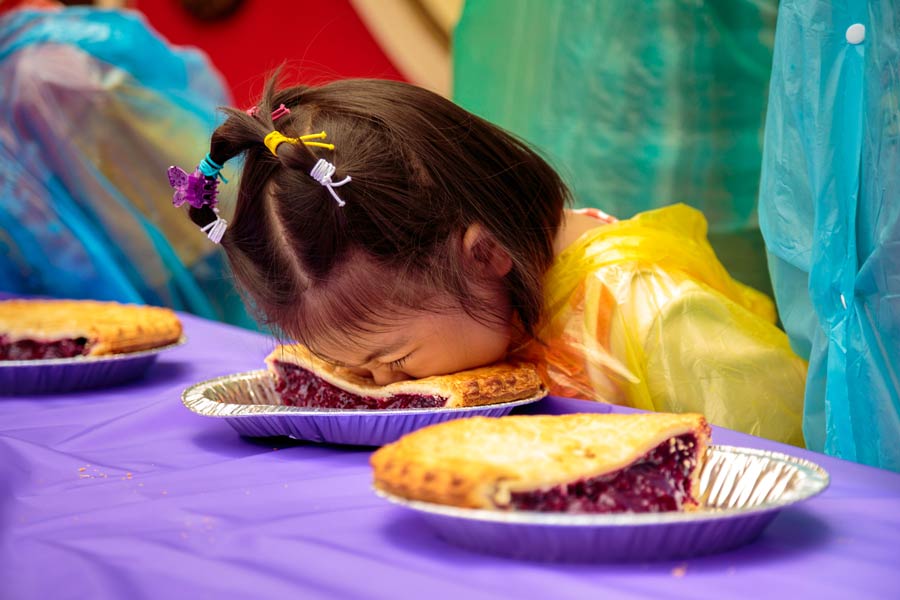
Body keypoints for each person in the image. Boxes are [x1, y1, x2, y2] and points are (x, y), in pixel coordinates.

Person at [171, 73, 807, 446]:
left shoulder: (649, 309)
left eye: (391, 360)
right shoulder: (461, 304)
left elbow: (782, 457)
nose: (383, 387)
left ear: (486, 255)